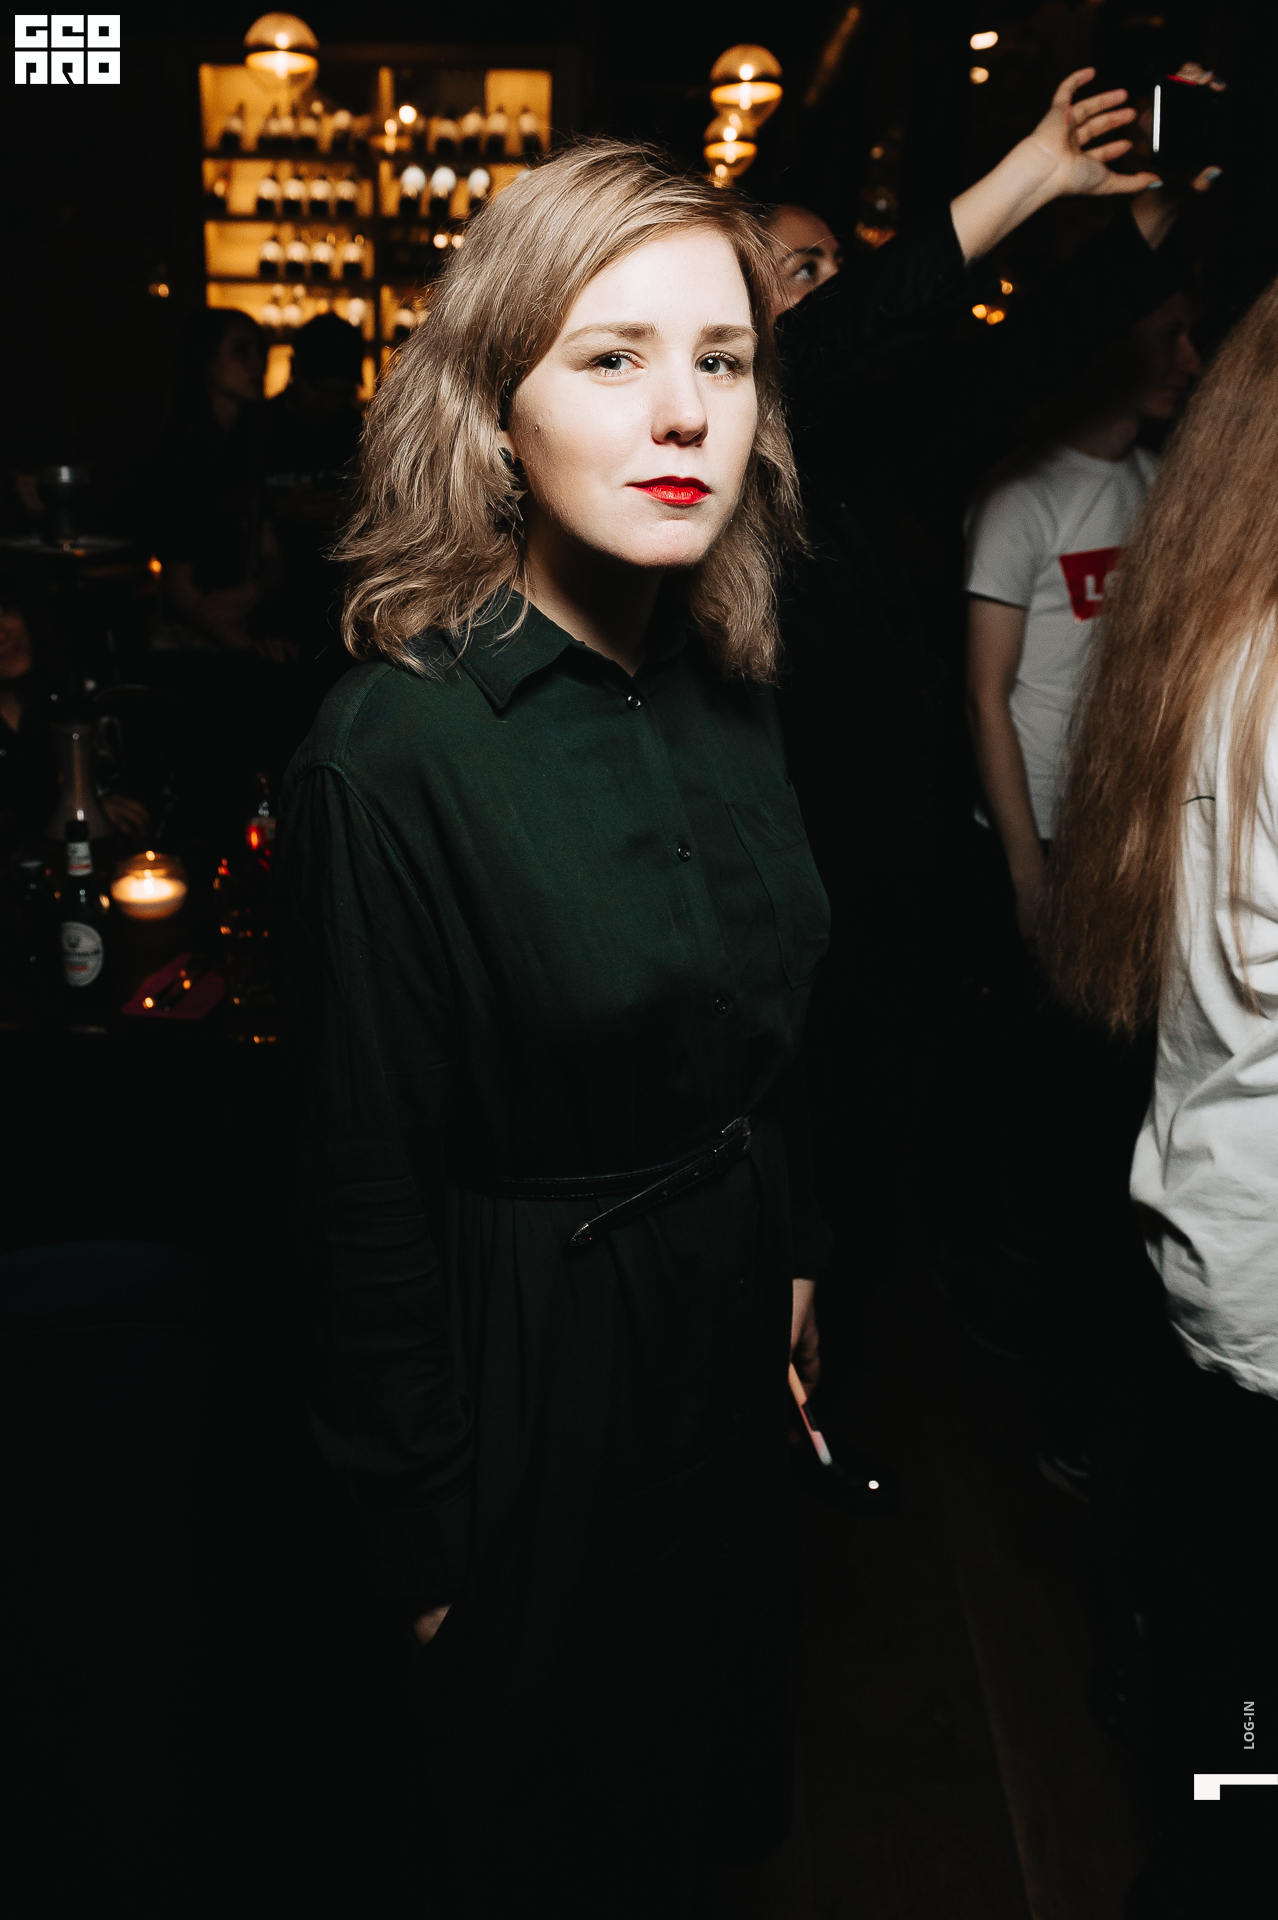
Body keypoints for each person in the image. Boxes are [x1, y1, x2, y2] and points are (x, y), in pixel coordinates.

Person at [278, 143, 828, 1912]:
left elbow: (766, 1021)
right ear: (496, 415)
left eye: (720, 359)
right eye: (609, 357)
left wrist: (789, 1256)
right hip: (535, 1384)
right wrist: (428, 1555)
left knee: (698, 1813)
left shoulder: (735, 683)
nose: (683, 412)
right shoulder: (392, 752)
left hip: (723, 1352)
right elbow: (357, 1189)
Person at [1043, 276, 1278, 1914]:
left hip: (1217, 1242)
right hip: (1265, 1279)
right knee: (1245, 1742)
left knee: (1226, 1690)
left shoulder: (1215, 619)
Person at [153, 309, 286, 660]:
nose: (258, 365)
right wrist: (243, 644)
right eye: (241, 351)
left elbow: (273, 555)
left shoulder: (252, 447)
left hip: (240, 632)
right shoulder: (181, 455)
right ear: (206, 362)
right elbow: (176, 581)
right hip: (193, 648)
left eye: (261, 352)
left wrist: (250, 594)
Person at [258, 311, 365, 676]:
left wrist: (351, 513)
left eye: (340, 392)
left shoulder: (359, 432)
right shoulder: (258, 429)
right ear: (294, 370)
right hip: (270, 615)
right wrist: (278, 510)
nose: (327, 402)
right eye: (319, 389)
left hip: (341, 612)